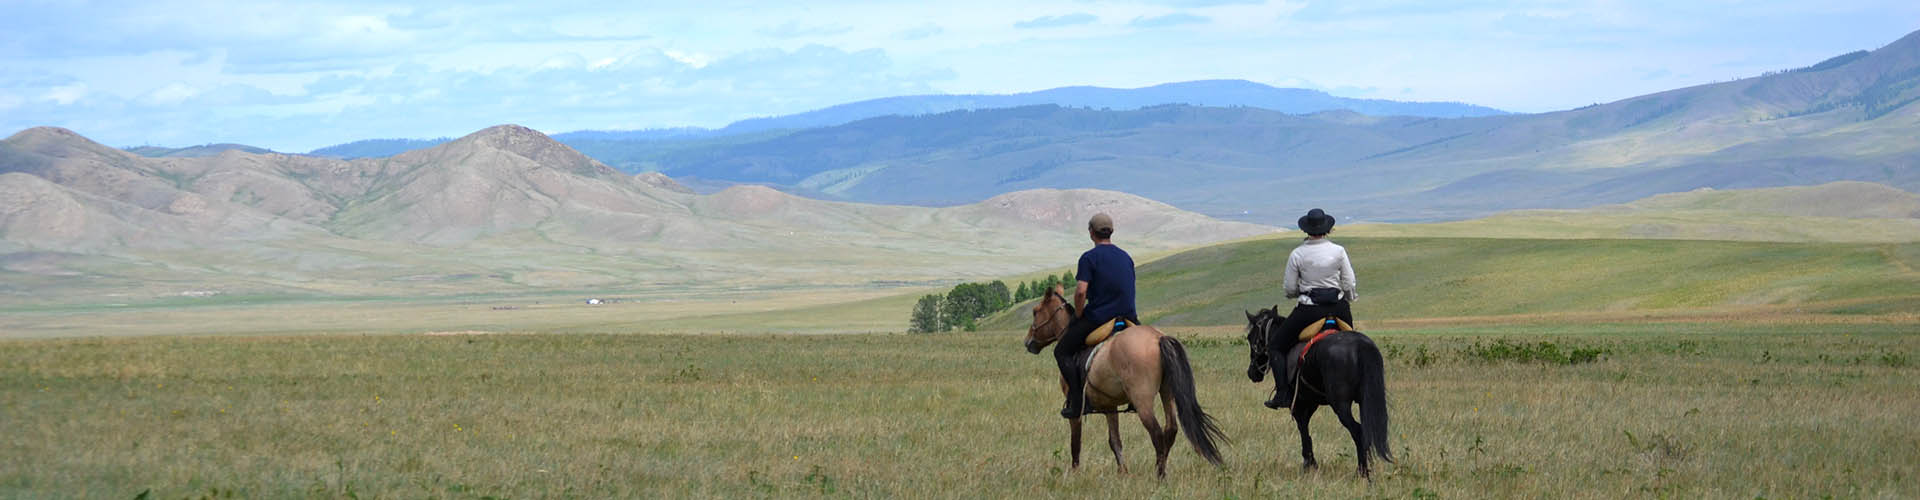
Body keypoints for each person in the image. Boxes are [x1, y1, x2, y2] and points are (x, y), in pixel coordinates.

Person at [1266, 208, 1358, 409]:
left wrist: (1297, 293)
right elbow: (1349, 282)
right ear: (1327, 229)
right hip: (1339, 309)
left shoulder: (1297, 254)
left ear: (1306, 230)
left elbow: (1290, 288)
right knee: (1357, 345)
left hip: (1309, 311)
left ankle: (1283, 394)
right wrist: (1349, 298)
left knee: (1276, 346)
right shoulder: (1339, 251)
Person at [1054, 213, 1138, 418]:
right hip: (1129, 317)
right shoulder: (1126, 257)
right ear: (1112, 232)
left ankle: (1077, 401)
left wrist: (1079, 314)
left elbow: (1081, 291)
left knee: (1062, 351)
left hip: (1100, 317)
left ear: (1091, 233)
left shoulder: (1089, 258)